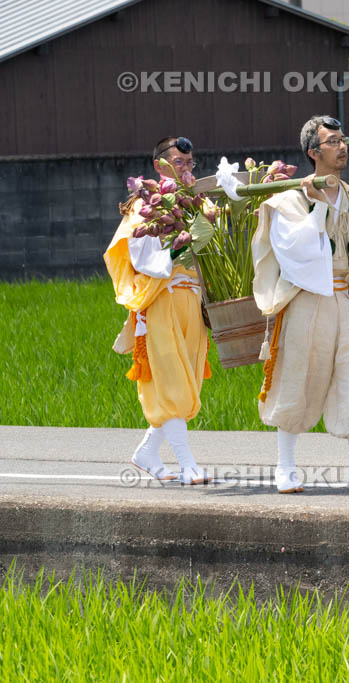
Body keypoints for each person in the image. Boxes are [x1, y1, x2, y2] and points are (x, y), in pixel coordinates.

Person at [251, 115, 349, 494]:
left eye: (343, 139)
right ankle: (285, 468)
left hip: (345, 303)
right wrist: (316, 208)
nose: (342, 146)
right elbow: (293, 252)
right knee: (296, 379)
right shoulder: (288, 201)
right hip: (305, 303)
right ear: (314, 152)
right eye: (333, 141)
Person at [104, 136, 212, 485]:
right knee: (171, 383)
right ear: (159, 165)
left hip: (192, 301)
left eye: (190, 163)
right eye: (179, 162)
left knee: (190, 380)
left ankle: (146, 453)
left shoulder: (196, 203)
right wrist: (176, 244)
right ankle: (187, 463)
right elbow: (140, 255)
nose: (186, 168)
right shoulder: (146, 205)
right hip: (160, 299)